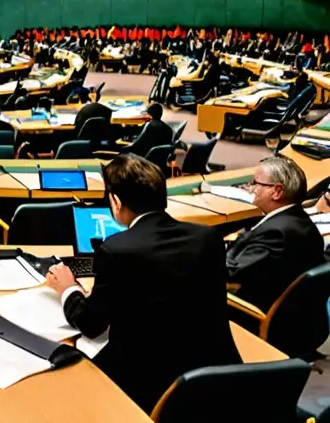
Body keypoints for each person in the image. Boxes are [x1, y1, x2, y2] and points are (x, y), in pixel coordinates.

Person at [46, 155, 240, 412]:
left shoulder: (116, 250)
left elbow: (91, 324)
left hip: (150, 384)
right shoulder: (207, 236)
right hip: (219, 374)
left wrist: (68, 289)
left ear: (115, 202)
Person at [226, 156, 325, 313]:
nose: (250, 189)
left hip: (257, 317)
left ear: (277, 192)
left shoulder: (276, 234)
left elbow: (231, 275)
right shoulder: (301, 221)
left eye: (255, 183)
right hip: (299, 317)